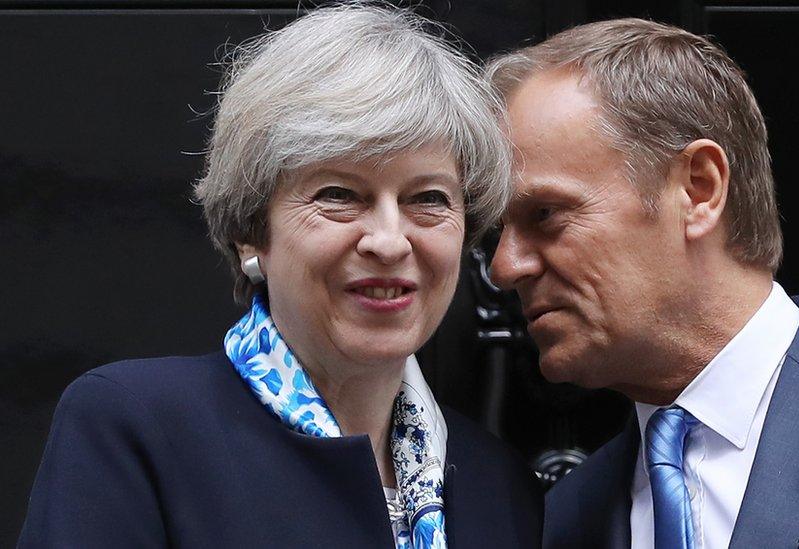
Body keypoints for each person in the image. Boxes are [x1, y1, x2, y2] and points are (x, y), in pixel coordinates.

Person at [18, 5, 542, 548]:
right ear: (252, 231)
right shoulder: (135, 428)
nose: (388, 241)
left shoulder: (499, 484)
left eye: (428, 199)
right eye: (338, 195)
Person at [486, 17, 799, 549]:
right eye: (498, 230)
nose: (504, 267)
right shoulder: (566, 519)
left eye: (546, 214)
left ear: (699, 189)